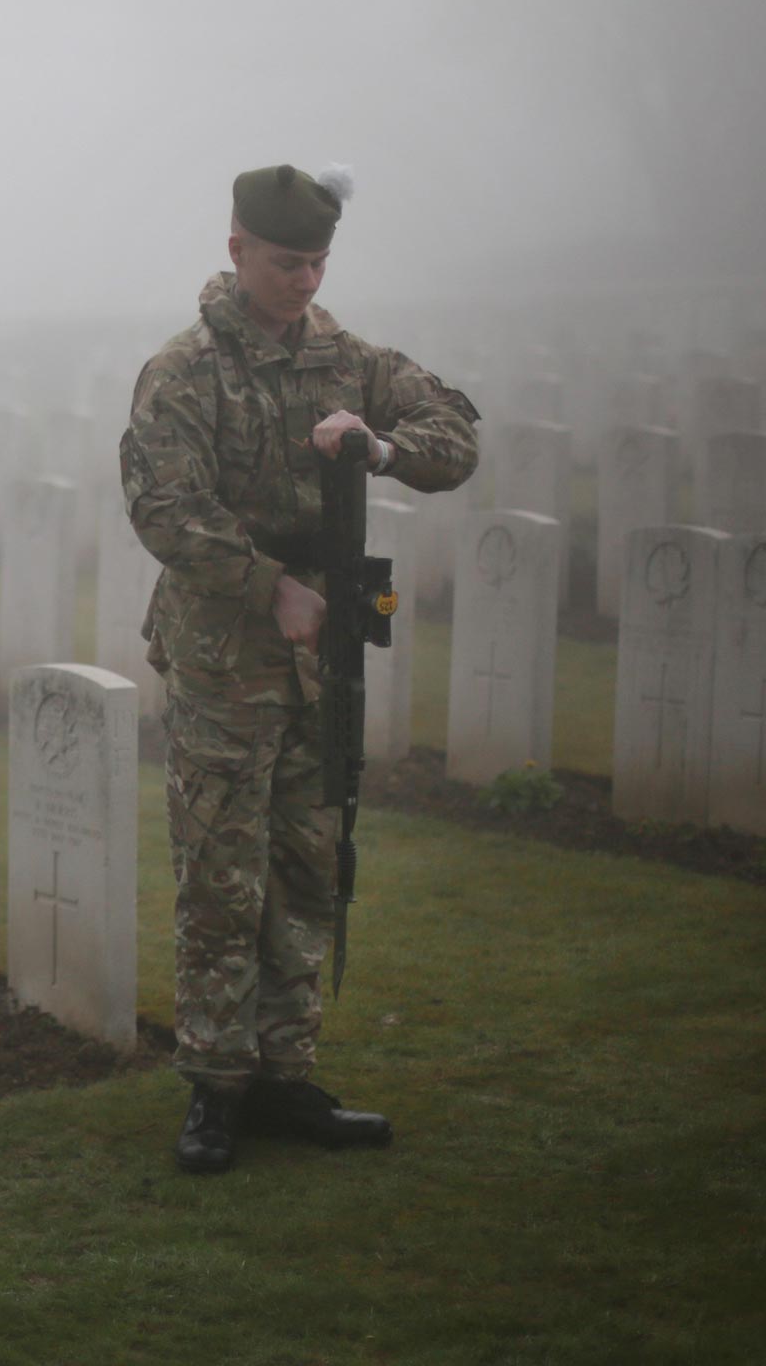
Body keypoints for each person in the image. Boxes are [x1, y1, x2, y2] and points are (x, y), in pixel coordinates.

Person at [118, 163, 480, 1174]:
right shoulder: (182, 373)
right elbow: (161, 507)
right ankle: (213, 1086)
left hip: (320, 667)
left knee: (308, 869)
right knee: (222, 875)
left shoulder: (346, 359)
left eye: (319, 260)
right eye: (287, 261)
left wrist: (375, 447)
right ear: (235, 249)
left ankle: (285, 1073)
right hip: (222, 658)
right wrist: (267, 582)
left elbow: (451, 437)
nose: (305, 280)